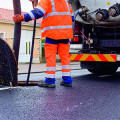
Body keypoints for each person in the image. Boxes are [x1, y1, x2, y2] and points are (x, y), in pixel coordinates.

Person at [13, 0, 74, 88]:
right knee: (65, 58)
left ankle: (49, 81)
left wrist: (22, 17)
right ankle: (67, 80)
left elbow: (38, 12)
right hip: (65, 34)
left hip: (52, 34)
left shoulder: (47, 0)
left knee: (51, 58)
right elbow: (72, 17)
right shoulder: (65, 2)